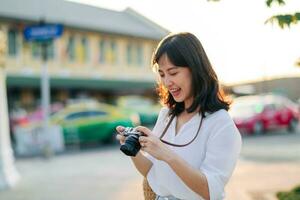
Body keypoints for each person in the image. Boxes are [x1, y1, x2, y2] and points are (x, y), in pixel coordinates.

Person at [116, 32, 242, 200]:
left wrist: (167, 155)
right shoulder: (167, 116)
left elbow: (211, 191)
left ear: (196, 69)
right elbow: (152, 173)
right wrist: (134, 151)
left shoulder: (220, 122)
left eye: (173, 73)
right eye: (162, 74)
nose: (167, 82)